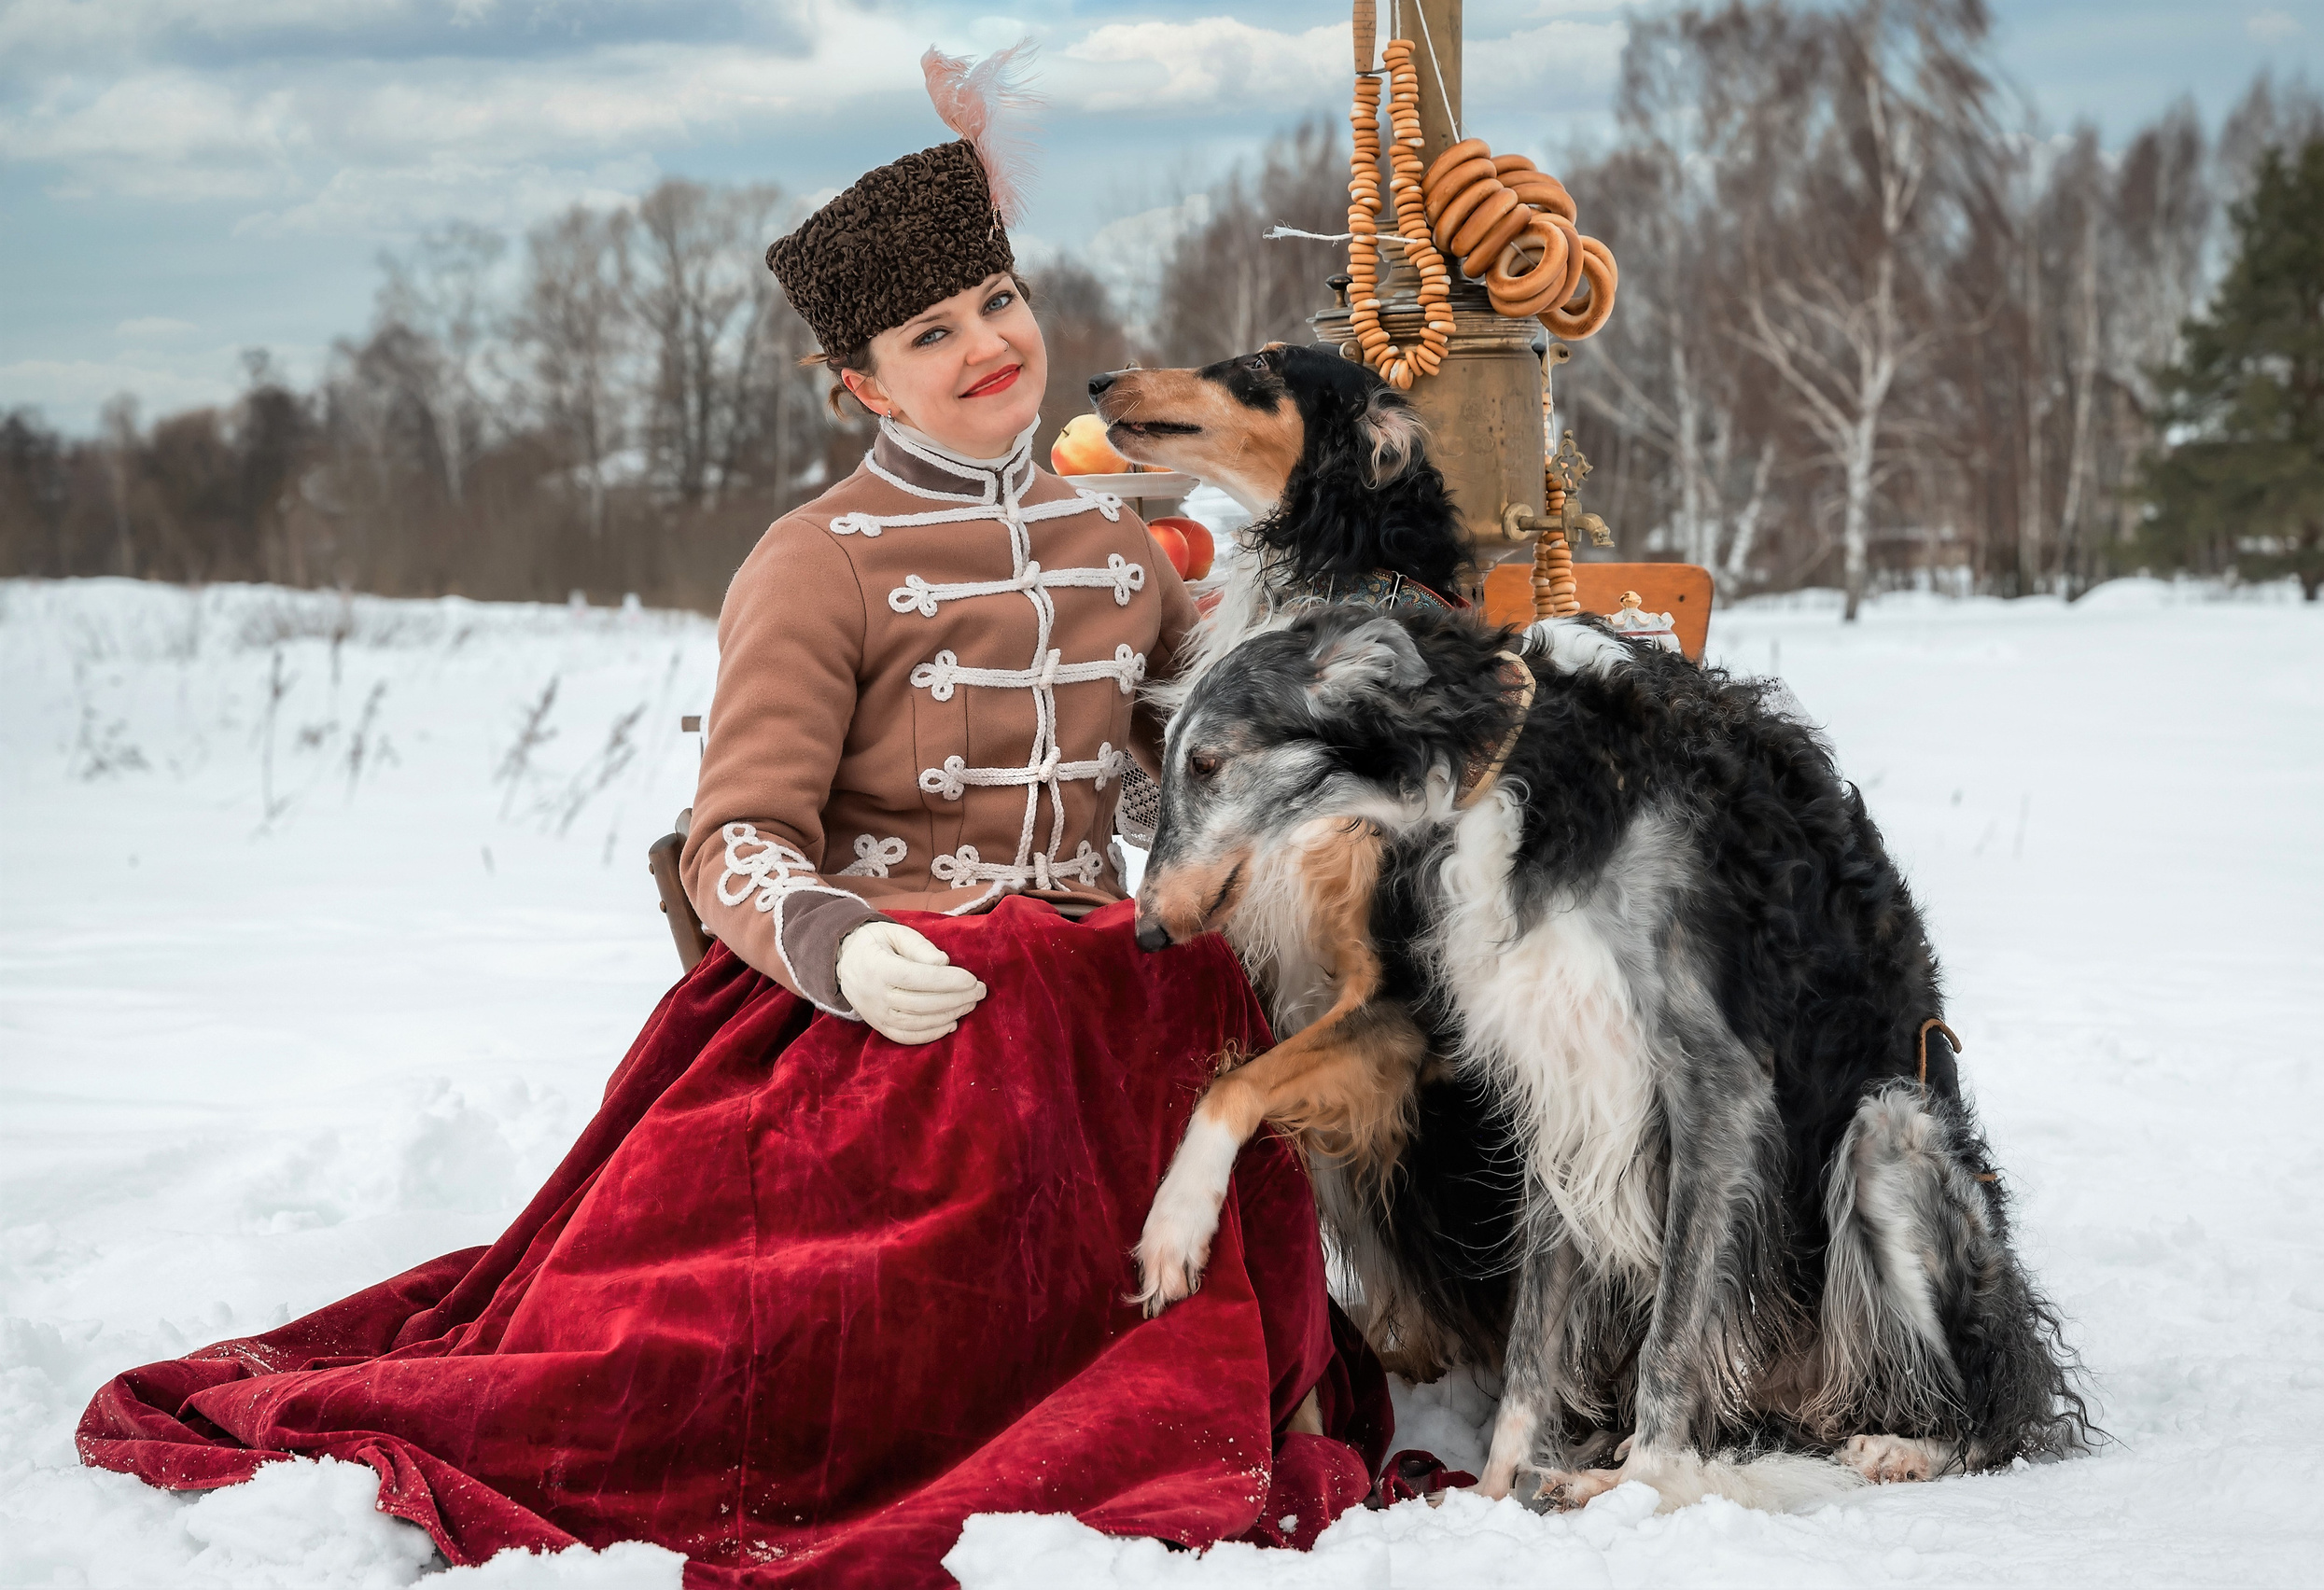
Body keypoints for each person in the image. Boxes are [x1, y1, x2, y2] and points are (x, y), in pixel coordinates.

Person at [77, 47, 1390, 1586]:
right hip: (884, 1006)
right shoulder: (814, 558)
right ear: (860, 379)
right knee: (743, 1332)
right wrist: (841, 945)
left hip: (1100, 992)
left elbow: (1222, 720)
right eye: (929, 332)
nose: (983, 346)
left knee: (1139, 998)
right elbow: (737, 840)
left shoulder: (1122, 534)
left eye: (996, 305)